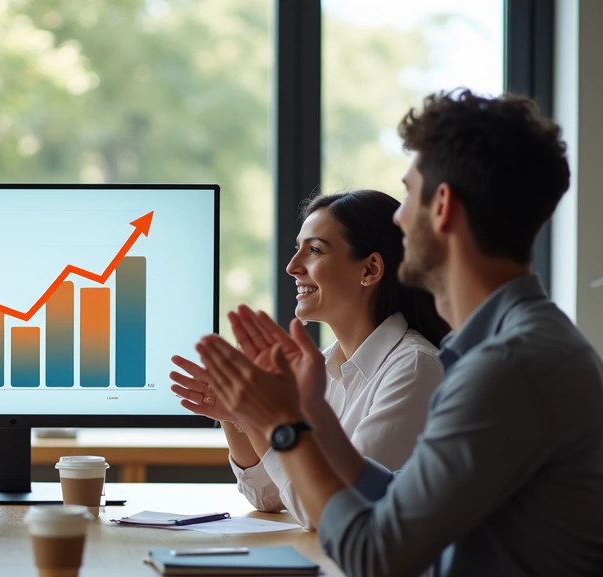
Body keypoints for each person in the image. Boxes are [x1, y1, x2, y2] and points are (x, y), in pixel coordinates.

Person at [194, 90, 603, 577]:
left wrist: (284, 427)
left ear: (443, 208)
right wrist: (310, 409)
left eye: (408, 193)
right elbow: (397, 500)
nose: (397, 215)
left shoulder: (510, 367)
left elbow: (371, 560)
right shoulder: (509, 347)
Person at [172, 190, 448, 530]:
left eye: (314, 250)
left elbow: (333, 510)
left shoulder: (414, 368)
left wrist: (270, 419)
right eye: (297, 249)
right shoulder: (322, 365)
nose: (292, 267)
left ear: (370, 268)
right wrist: (242, 414)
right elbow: (269, 496)